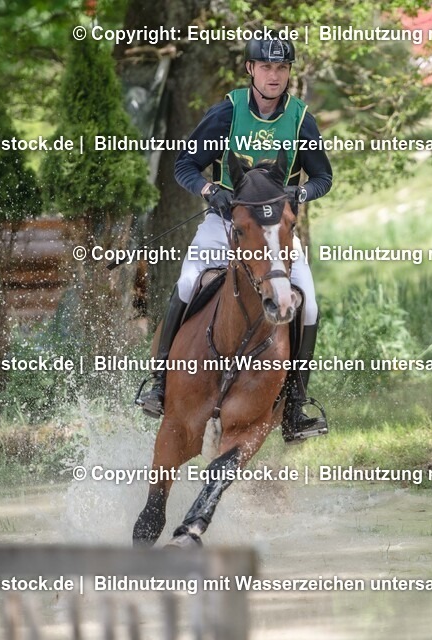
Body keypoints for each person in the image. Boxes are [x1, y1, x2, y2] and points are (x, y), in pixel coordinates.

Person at [137, 36, 333, 442]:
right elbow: (185, 165)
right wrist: (210, 190)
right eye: (266, 68)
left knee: (309, 304)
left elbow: (323, 177)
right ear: (251, 70)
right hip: (225, 224)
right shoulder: (226, 113)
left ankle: (295, 406)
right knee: (188, 283)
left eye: (282, 68)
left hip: (274, 233)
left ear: (289, 73)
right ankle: (159, 382)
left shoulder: (301, 120)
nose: (274, 76)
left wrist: (300, 193)